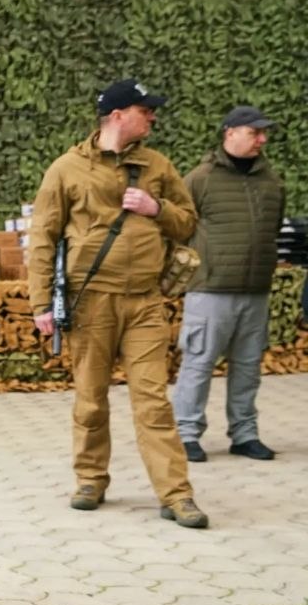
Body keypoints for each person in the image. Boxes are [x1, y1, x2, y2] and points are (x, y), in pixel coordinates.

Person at [28, 79, 205, 528]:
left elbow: (187, 223)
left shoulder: (157, 166)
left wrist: (155, 208)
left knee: (153, 402)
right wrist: (40, 303)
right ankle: (90, 479)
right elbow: (43, 237)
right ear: (118, 115)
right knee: (90, 399)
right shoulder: (67, 169)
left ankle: (176, 494)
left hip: (146, 302)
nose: (153, 117)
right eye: (146, 110)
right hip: (91, 302)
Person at [174, 107, 284, 464]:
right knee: (199, 363)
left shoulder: (272, 181)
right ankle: (186, 434)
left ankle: (245, 434)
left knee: (248, 367)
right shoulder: (200, 179)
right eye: (254, 132)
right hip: (210, 290)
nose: (262, 139)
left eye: (263, 133)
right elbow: (178, 227)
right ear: (230, 133)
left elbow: (272, 228)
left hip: (256, 290)